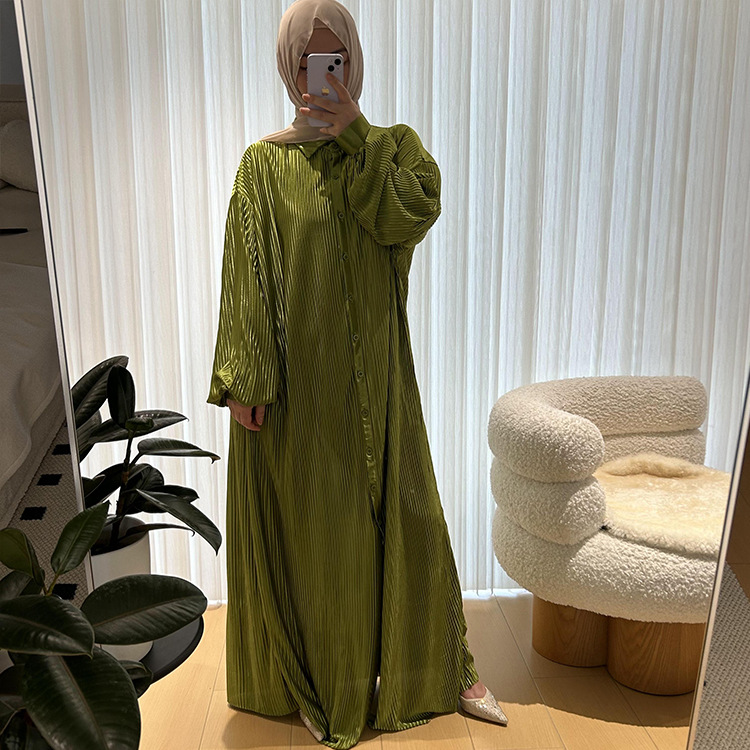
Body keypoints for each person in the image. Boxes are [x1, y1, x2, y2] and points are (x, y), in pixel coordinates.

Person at [207, 0, 508, 746]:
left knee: (415, 520)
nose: (325, 76)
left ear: (354, 61)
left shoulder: (391, 152)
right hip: (304, 396)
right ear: (290, 69)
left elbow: (410, 213)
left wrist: (358, 133)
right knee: (326, 540)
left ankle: (445, 667)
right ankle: (330, 682)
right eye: (310, 62)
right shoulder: (264, 167)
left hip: (382, 381)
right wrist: (245, 378)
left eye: (336, 60)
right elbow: (248, 275)